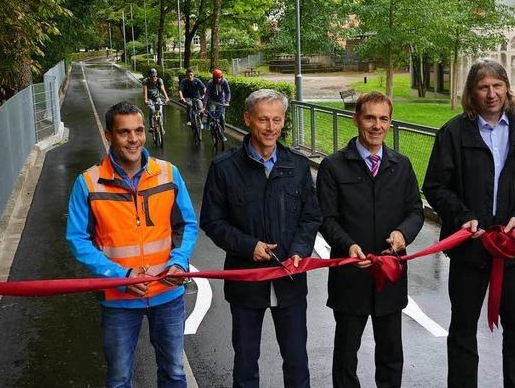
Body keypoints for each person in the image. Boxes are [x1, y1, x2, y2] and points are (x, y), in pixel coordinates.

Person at [422, 58, 515, 388]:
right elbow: (435, 185)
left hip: (514, 251)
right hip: (470, 250)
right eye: (483, 87)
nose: (491, 93)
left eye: (497, 85)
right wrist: (463, 216)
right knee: (463, 331)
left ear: (507, 89)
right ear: (472, 92)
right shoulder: (453, 132)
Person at [66, 101, 198, 388]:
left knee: (174, 372)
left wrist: (179, 261)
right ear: (108, 135)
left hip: (168, 294)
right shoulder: (88, 183)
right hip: (118, 299)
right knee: (119, 377)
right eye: (124, 132)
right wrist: (120, 277)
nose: (134, 139)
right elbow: (78, 240)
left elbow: (186, 224)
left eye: (139, 130)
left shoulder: (167, 173)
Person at [200, 89, 321, 388]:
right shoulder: (224, 167)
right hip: (245, 282)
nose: (271, 128)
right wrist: (248, 246)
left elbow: (311, 216)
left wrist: (300, 250)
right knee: (245, 361)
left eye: (277, 120)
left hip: (290, 281)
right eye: (263, 120)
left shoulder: (297, 165)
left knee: (296, 361)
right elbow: (212, 221)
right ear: (247, 119)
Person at [316, 91, 425, 388]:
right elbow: (326, 218)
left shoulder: (401, 165)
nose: (377, 125)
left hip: (390, 274)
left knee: (391, 354)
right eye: (370, 118)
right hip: (350, 275)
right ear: (356, 119)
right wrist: (348, 245)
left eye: (384, 118)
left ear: (390, 122)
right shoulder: (333, 167)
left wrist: (403, 234)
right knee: (346, 355)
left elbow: (416, 211)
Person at [202, 68, 230, 141]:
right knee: (211, 113)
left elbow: (228, 92)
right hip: (212, 101)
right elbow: (207, 94)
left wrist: (227, 102)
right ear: (214, 78)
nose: (219, 80)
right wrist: (204, 106)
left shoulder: (224, 82)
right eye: (217, 78)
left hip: (221, 101)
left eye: (220, 77)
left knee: (222, 118)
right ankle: (208, 124)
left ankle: (222, 134)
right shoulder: (210, 83)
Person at [143, 68, 169, 132]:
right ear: (149, 77)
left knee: (160, 112)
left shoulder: (159, 80)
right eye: (151, 77)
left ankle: (161, 127)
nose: (153, 78)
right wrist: (146, 100)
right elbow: (145, 91)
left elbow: (163, 89)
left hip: (157, 98)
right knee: (152, 110)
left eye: (154, 76)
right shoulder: (146, 81)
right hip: (149, 98)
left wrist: (167, 98)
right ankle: (151, 126)